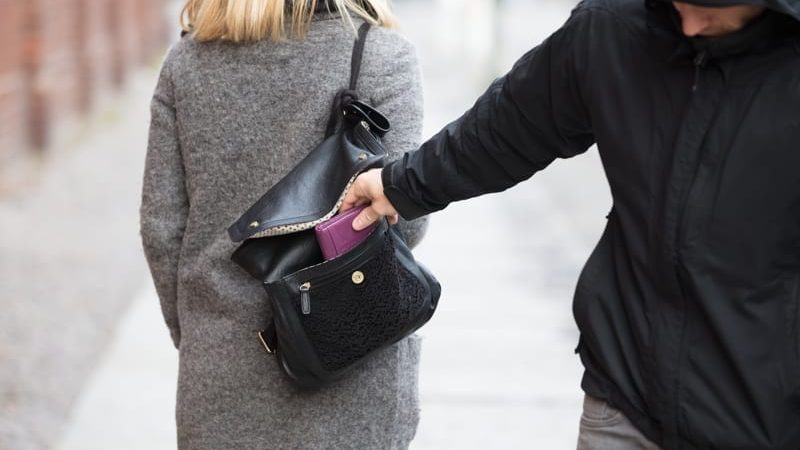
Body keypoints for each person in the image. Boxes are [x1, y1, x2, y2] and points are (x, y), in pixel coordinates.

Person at [343, 0, 800, 448]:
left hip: (764, 418)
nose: (692, 24)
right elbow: (510, 126)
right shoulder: (614, 25)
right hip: (626, 401)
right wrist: (399, 184)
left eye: (715, 11)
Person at [139, 1, 428, 448]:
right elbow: (407, 220)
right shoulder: (382, 55)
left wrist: (196, 335)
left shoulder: (188, 62)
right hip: (352, 367)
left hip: (221, 370)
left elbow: (161, 227)